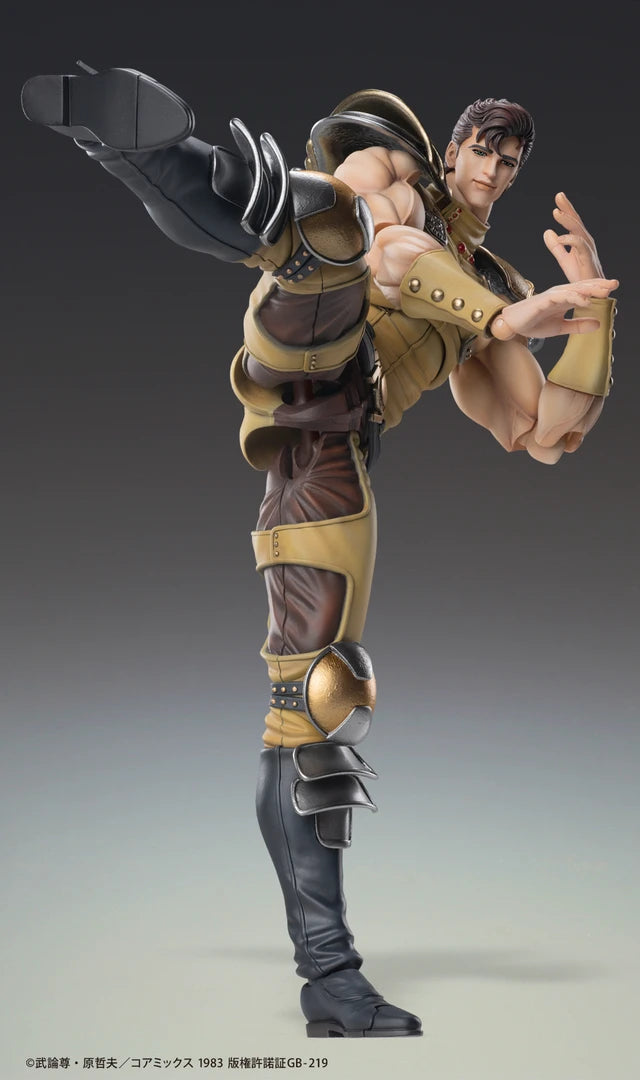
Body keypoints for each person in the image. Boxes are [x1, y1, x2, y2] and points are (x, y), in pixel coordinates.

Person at [21, 67, 617, 1039]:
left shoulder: (496, 284)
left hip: (332, 450)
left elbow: (546, 430)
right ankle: (141, 147)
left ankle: (328, 983)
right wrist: (500, 317)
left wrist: (592, 306)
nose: (492, 171)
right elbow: (387, 254)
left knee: (319, 704)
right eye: (482, 150)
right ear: (452, 147)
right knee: (331, 235)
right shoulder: (400, 178)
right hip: (308, 347)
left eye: (510, 162)